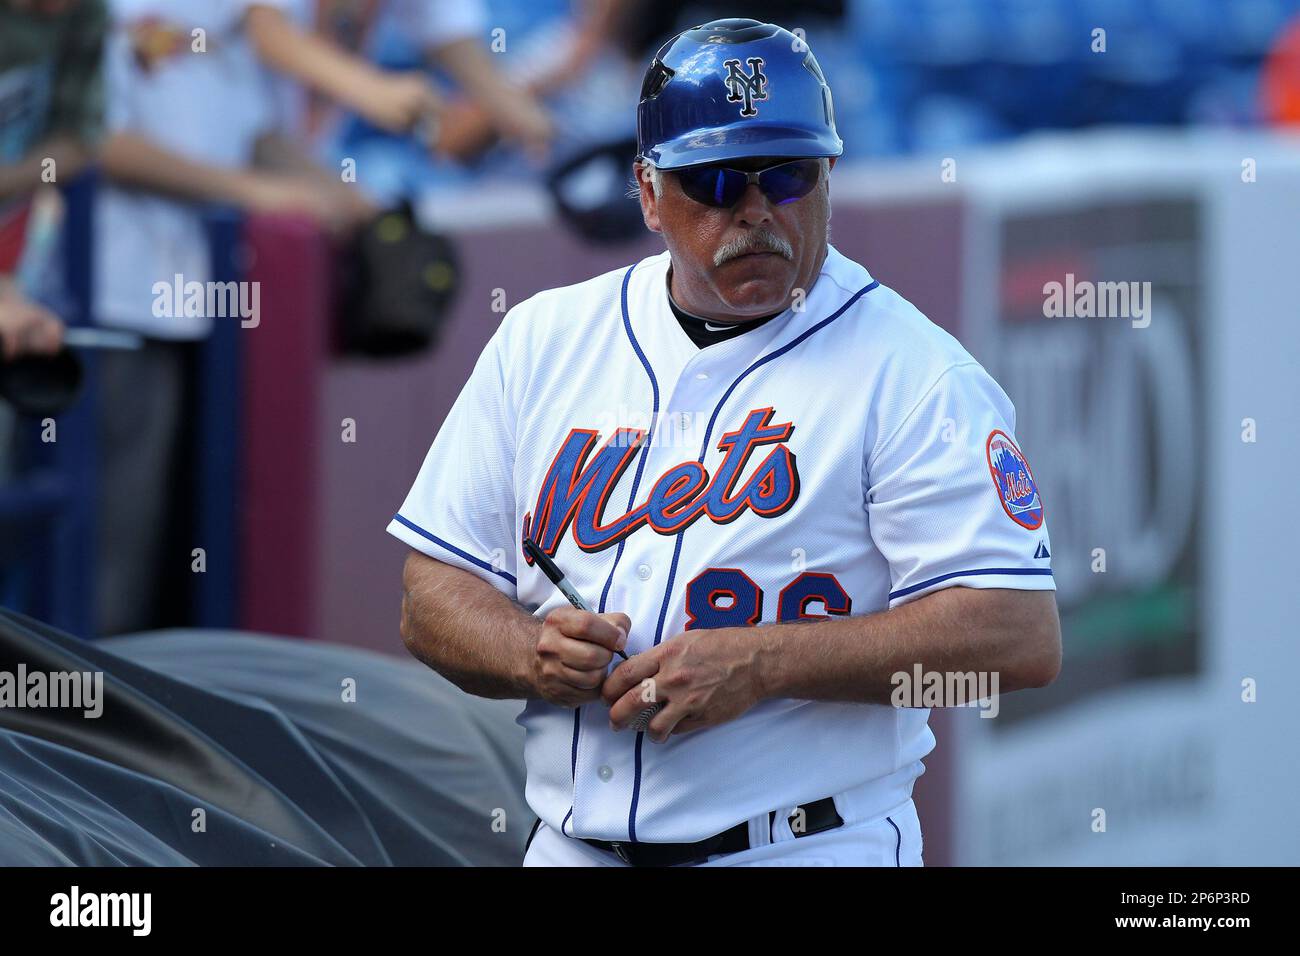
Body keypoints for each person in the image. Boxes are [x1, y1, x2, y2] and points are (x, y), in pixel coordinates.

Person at [391, 18, 1061, 867]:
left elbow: (1018, 638)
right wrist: (527, 652)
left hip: (805, 847)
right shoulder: (543, 340)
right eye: (716, 182)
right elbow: (431, 595)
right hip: (567, 847)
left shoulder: (915, 374)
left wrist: (767, 662)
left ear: (826, 175)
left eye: (787, 174)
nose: (757, 211)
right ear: (647, 192)